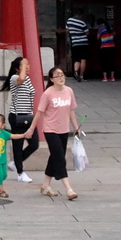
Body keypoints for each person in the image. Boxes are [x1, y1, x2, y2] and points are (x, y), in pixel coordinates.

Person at [33, 66, 81, 200]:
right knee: (60, 158)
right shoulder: (48, 93)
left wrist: (76, 127)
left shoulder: (69, 91)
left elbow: (71, 110)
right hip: (50, 130)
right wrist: (32, 128)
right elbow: (39, 112)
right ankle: (68, 188)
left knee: (55, 156)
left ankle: (45, 185)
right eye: (57, 76)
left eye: (62, 75)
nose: (61, 78)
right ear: (52, 79)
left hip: (64, 130)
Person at [0, 56, 38, 183]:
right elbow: (20, 78)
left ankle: (16, 163)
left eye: (28, 65)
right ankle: (20, 172)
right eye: (23, 66)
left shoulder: (27, 79)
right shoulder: (15, 78)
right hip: (17, 116)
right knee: (18, 144)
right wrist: (24, 61)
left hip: (28, 115)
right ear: (17, 69)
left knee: (34, 144)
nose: (27, 68)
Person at [0, 113, 30, 199]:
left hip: (3, 159)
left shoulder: (4, 133)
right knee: (0, 175)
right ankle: (1, 191)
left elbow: (13, 136)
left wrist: (23, 135)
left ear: (3, 125)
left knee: (4, 175)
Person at [66, 10, 90, 82]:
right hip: (83, 43)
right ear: (81, 15)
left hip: (74, 42)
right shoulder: (82, 23)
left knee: (77, 59)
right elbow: (87, 33)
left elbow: (67, 30)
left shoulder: (69, 20)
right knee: (83, 60)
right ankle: (81, 75)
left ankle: (76, 71)